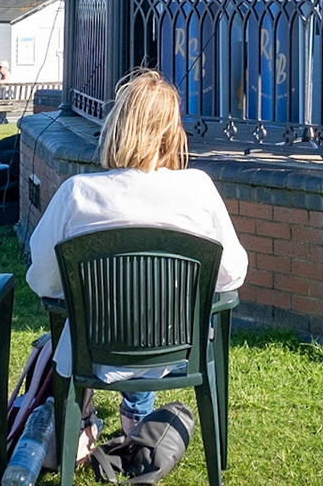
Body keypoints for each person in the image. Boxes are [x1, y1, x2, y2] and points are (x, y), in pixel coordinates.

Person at [26, 70, 247, 436]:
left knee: (105, 313)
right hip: (178, 349)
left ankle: (86, 417)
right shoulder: (199, 189)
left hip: (94, 350)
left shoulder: (76, 192)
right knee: (155, 309)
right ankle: (137, 416)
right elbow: (233, 273)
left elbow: (43, 278)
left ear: (116, 125)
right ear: (173, 131)